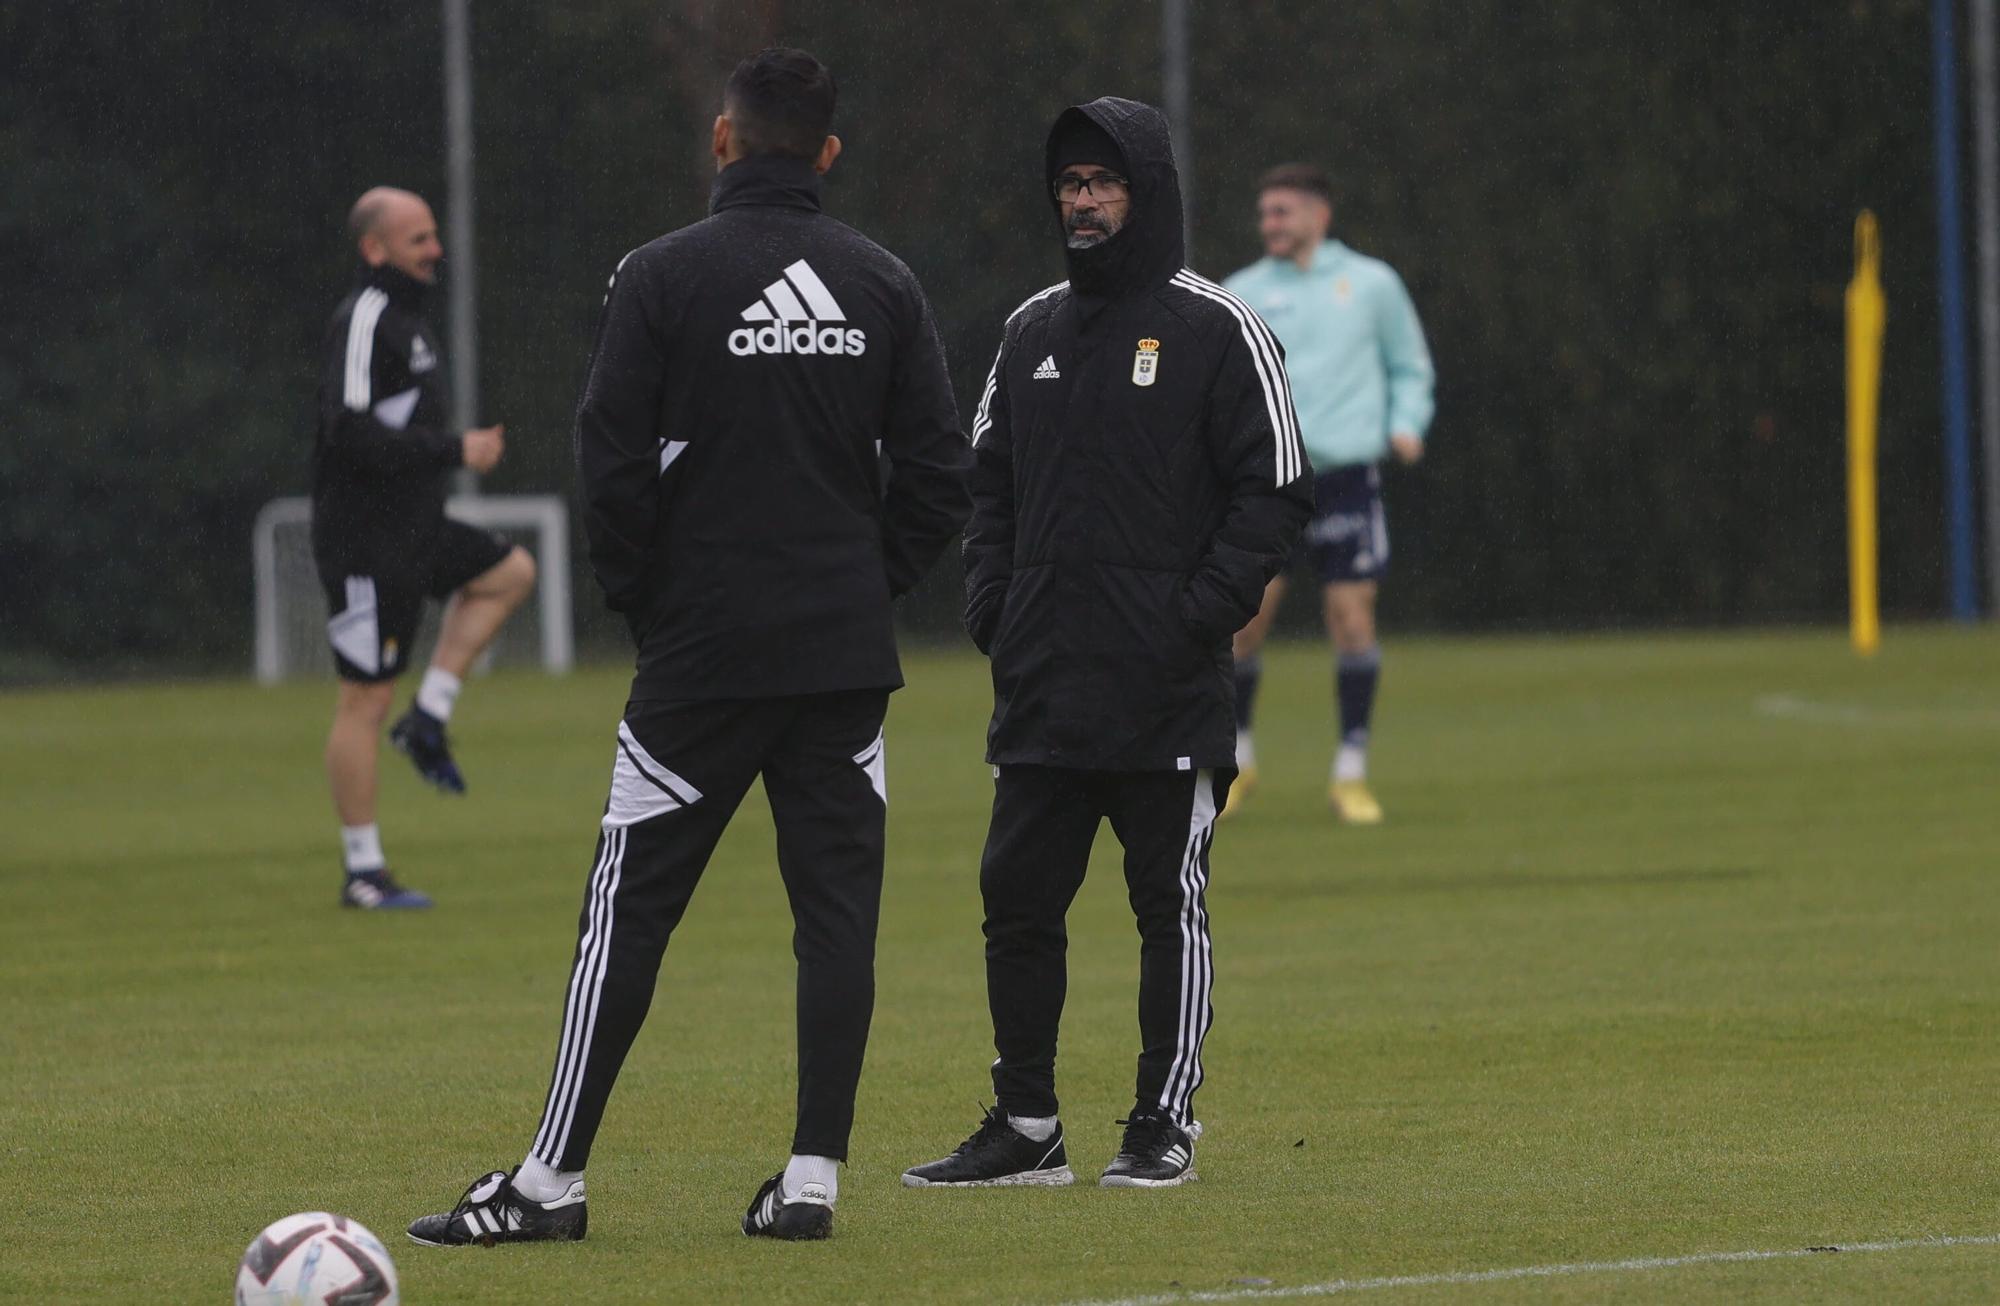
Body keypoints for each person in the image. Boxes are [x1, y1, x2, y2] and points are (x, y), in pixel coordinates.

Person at [408, 48, 972, 1246]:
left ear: (723, 141)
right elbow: (936, 474)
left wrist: (646, 600)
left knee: (628, 911)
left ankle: (550, 1180)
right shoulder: (880, 280)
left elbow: (608, 457)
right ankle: (811, 1179)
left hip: (701, 657)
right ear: (824, 154)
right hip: (838, 664)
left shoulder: (660, 274)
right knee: (836, 920)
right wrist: (859, 587)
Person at [902, 98, 1310, 1191]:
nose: (1081, 202)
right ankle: (1026, 1124)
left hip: (1165, 685)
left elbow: (1271, 491)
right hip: (1042, 680)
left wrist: (1197, 611)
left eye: (1103, 182)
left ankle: (1160, 1121)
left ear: (1147, 190)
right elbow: (984, 482)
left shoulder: (1216, 328)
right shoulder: (1030, 329)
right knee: (1015, 899)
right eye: (1069, 184)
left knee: (1162, 905)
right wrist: (994, 604)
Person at [312, 186, 537, 910]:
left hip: (416, 530)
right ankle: (363, 872)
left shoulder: (409, 320)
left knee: (511, 572)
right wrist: (455, 449)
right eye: (418, 240)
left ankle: (430, 717)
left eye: (434, 236)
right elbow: (344, 432)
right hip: (365, 547)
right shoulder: (366, 317)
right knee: (364, 699)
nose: (435, 250)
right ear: (375, 249)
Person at [1220, 164, 1435, 824]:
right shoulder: (1241, 292)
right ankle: (1237, 761)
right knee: (1242, 626)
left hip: (1345, 480)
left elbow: (1410, 364)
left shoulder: (1371, 284)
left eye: (1282, 212)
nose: (1270, 225)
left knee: (1353, 621)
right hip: (1266, 482)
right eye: (1264, 213)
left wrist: (1407, 424)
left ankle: (1350, 773)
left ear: (1319, 214)